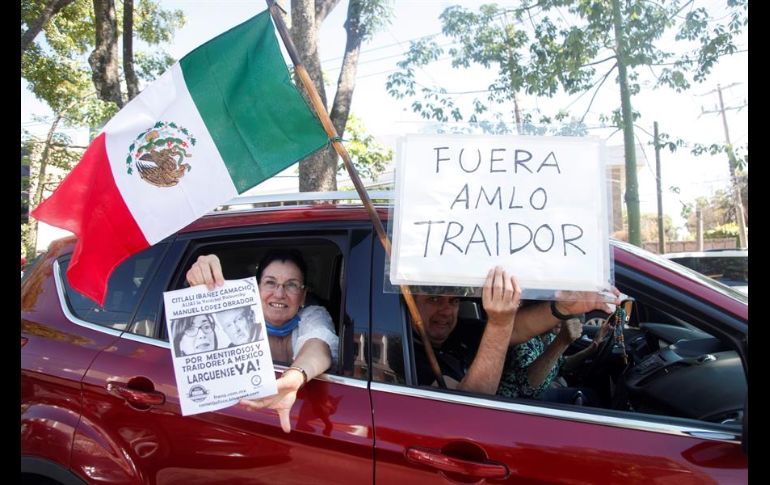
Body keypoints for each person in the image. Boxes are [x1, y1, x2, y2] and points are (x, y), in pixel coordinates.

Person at [186, 249, 338, 433]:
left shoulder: (313, 315)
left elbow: (319, 342)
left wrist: (294, 377)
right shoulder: (238, 321)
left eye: (292, 285)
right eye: (270, 283)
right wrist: (200, 277)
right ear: (256, 289)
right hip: (232, 424)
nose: (279, 293)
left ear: (303, 295)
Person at [413, 280, 620, 395]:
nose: (446, 311)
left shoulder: (460, 331)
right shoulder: (403, 355)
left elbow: (513, 330)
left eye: (454, 301)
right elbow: (470, 406)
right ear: (409, 305)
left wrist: (562, 307)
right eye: (434, 299)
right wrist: (499, 323)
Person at [496, 316, 614, 403]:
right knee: (591, 398)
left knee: (591, 395)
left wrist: (591, 348)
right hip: (516, 405)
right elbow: (528, 388)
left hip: (538, 396)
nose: (562, 320)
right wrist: (562, 342)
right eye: (557, 314)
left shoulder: (549, 335)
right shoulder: (524, 340)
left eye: (565, 314)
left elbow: (561, 365)